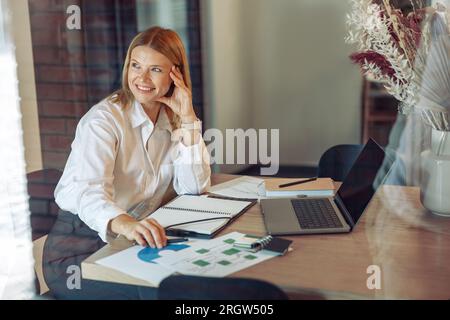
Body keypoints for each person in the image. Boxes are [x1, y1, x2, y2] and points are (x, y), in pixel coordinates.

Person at [43, 26, 211, 299]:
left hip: (131, 241)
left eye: (155, 69)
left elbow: (194, 188)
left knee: (195, 281)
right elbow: (88, 193)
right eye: (136, 66)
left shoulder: (173, 118)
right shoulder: (103, 120)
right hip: (78, 252)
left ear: (175, 75)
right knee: (158, 293)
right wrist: (128, 225)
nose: (142, 78)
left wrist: (189, 118)